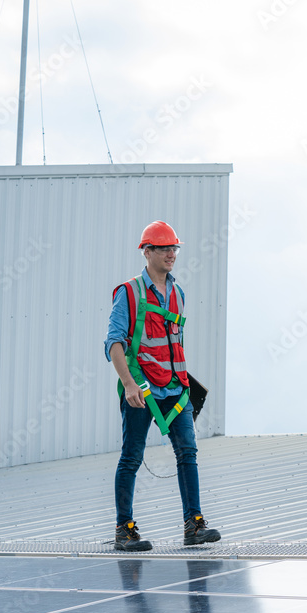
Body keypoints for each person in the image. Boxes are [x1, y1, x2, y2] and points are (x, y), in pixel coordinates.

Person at [105, 220, 220, 551]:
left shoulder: (178, 292)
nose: (172, 254)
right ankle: (124, 530)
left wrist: (186, 386)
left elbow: (175, 345)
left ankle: (193, 525)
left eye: (175, 248)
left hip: (175, 389)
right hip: (141, 389)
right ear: (147, 251)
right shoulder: (129, 292)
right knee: (132, 456)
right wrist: (128, 384)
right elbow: (114, 342)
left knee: (188, 452)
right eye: (165, 248)